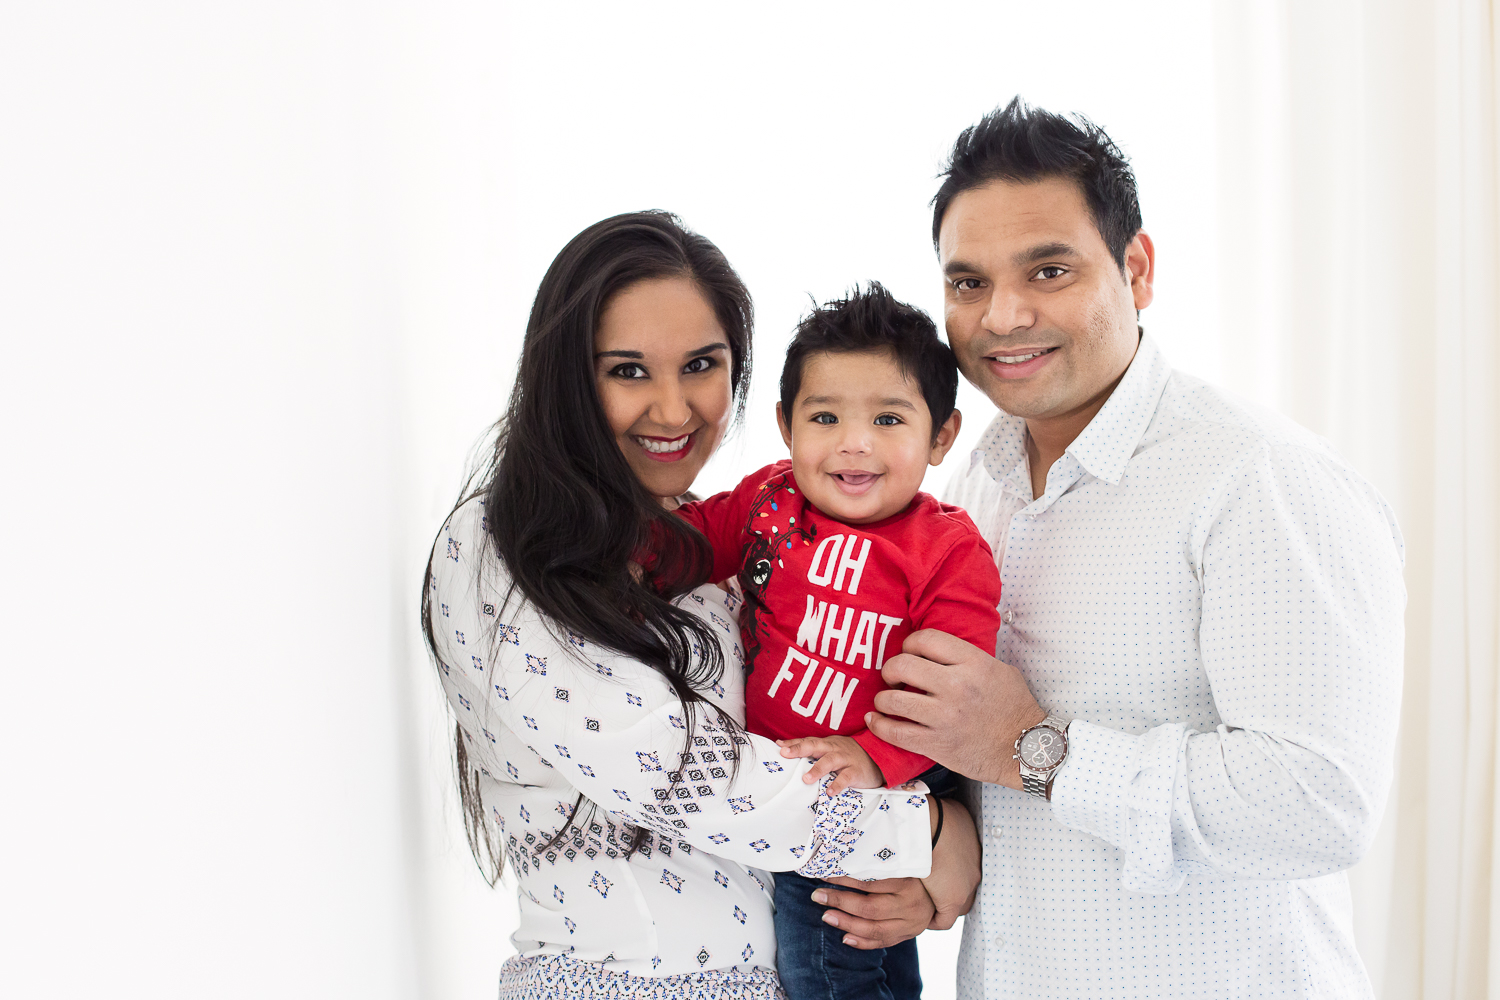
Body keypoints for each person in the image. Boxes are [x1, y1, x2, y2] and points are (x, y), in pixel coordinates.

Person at [837, 98, 1405, 997]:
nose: (1003, 316)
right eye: (967, 283)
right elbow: (985, 782)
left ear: (1136, 269)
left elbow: (1317, 805)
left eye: (1049, 270)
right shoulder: (968, 487)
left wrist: (1032, 746)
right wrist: (936, 879)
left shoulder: (1263, 478)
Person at [421, 211, 982, 999]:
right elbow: (683, 771)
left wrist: (907, 885)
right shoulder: (507, 542)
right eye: (627, 371)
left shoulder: (710, 536)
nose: (674, 409)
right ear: (565, 377)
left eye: (701, 365)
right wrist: (923, 833)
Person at [674, 283, 1003, 1000]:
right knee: (869, 948)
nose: (855, 443)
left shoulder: (947, 549)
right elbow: (689, 546)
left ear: (941, 435)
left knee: (826, 955)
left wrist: (876, 758)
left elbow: (955, 696)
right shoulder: (768, 500)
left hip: (889, 771)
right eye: (825, 417)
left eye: (889, 418)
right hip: (793, 780)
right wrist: (614, 551)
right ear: (787, 426)